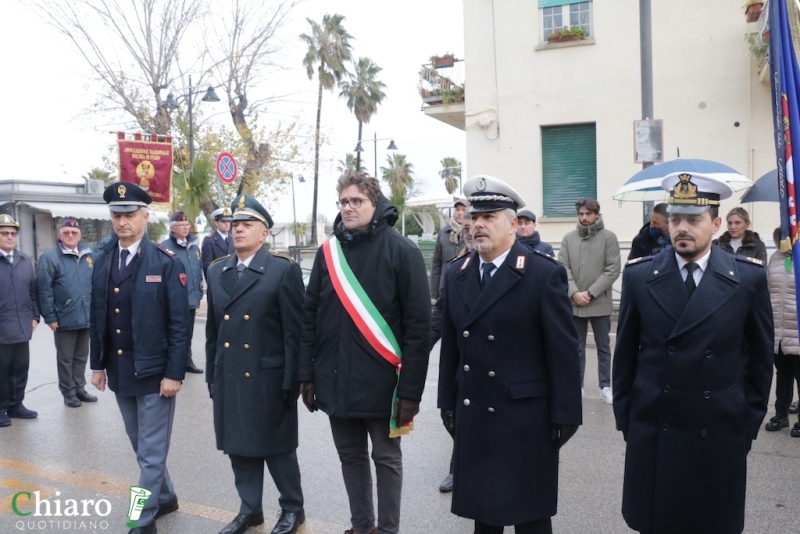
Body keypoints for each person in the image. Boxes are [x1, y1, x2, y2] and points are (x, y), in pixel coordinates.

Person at [613, 171, 773, 534]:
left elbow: (761, 362)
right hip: (655, 428)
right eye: (675, 218)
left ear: (716, 224)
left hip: (718, 429)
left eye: (693, 219)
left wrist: (746, 425)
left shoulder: (746, 278)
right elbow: (624, 357)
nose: (681, 227)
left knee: (710, 523)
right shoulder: (641, 276)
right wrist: (628, 421)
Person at [438, 175, 581, 534]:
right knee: (484, 517)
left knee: (530, 517)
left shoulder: (542, 273)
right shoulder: (458, 274)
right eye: (474, 218)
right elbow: (452, 348)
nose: (478, 225)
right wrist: (447, 403)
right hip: (476, 412)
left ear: (513, 224)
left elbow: (563, 352)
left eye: (490, 217)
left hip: (525, 418)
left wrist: (565, 415)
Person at [299, 171, 431, 534]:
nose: (348, 208)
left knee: (386, 459)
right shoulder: (329, 253)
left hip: (384, 382)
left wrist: (411, 392)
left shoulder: (402, 251)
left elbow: (419, 330)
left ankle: (387, 530)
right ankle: (362, 527)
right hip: (335, 378)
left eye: (357, 201)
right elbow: (309, 316)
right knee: (350, 457)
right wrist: (306, 373)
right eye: (343, 201)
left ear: (376, 203)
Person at [90, 182, 190, 534]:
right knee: (141, 446)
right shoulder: (103, 260)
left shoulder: (165, 262)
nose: (122, 222)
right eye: (116, 215)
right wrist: (98, 364)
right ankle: (165, 495)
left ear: (146, 217)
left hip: (155, 373)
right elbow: (97, 314)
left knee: (149, 453)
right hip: (120, 371)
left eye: (129, 215)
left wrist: (174, 373)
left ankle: (141, 518)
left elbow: (180, 323)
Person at [206, 194, 306, 534]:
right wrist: (212, 375)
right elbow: (213, 333)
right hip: (230, 373)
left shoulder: (282, 271)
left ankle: (293, 507)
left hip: (269, 376)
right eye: (234, 225)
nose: (238, 230)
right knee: (239, 448)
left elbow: (296, 331)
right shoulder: (217, 269)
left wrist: (295, 379)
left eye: (247, 225)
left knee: (278, 450)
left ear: (264, 233)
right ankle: (250, 510)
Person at [557, 198, 620, 404]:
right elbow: (562, 268)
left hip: (599, 302)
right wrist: (574, 293)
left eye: (588, 214)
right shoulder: (568, 238)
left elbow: (612, 270)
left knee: (603, 346)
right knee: (576, 347)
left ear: (596, 214)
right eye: (581, 214)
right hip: (575, 304)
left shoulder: (609, 238)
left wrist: (590, 294)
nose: (584, 218)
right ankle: (578, 385)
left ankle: (605, 386)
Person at [433, 212, 476, 494]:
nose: (473, 231)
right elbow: (442, 316)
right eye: (469, 227)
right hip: (464, 361)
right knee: (458, 416)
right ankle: (457, 468)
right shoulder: (456, 269)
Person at [36, 217, 96, 408]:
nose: (70, 235)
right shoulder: (50, 258)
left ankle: (80, 388)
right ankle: (68, 392)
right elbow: (44, 289)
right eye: (66, 233)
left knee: (81, 356)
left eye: (74, 233)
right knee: (65, 359)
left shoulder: (88, 255)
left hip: (86, 316)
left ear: (80, 235)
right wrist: (50, 316)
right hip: (64, 317)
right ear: (59, 235)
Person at [0, 213, 39, 427]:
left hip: (22, 325)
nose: (9, 237)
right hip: (2, 327)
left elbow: (33, 292)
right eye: (4, 233)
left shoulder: (25, 260)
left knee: (20, 368)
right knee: (1, 371)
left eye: (12, 234)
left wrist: (34, 316)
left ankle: (16, 405)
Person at [764, 227, 800, 435]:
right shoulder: (776, 258)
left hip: (797, 330)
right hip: (779, 331)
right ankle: (781, 415)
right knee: (783, 375)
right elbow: (768, 289)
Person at [162, 211, 204, 374]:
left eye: (187, 225)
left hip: (191, 297)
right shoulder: (165, 247)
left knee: (188, 332)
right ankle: (171, 362)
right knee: (174, 332)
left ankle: (187, 360)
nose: (186, 228)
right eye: (181, 225)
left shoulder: (194, 247)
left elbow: (197, 271)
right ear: (173, 228)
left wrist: (199, 292)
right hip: (174, 299)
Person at [430, 198, 469, 312]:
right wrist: (434, 293)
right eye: (457, 209)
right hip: (444, 291)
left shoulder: (473, 232)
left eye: (463, 209)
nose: (460, 213)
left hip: (465, 291)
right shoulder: (443, 233)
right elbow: (436, 263)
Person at [202, 207, 234, 279]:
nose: (227, 224)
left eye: (228, 221)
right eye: (223, 221)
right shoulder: (209, 241)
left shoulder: (233, 238)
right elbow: (207, 267)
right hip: (218, 280)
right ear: (216, 222)